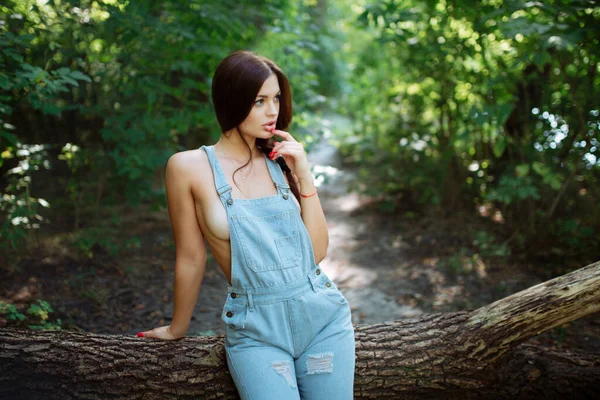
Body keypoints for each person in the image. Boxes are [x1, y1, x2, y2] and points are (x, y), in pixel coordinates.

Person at [138, 50, 355, 399]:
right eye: (259, 101)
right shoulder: (188, 167)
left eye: (276, 99)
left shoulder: (280, 161)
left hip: (322, 320)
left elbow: (314, 254)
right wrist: (177, 328)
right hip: (255, 330)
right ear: (232, 100)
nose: (272, 111)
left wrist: (305, 175)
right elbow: (191, 257)